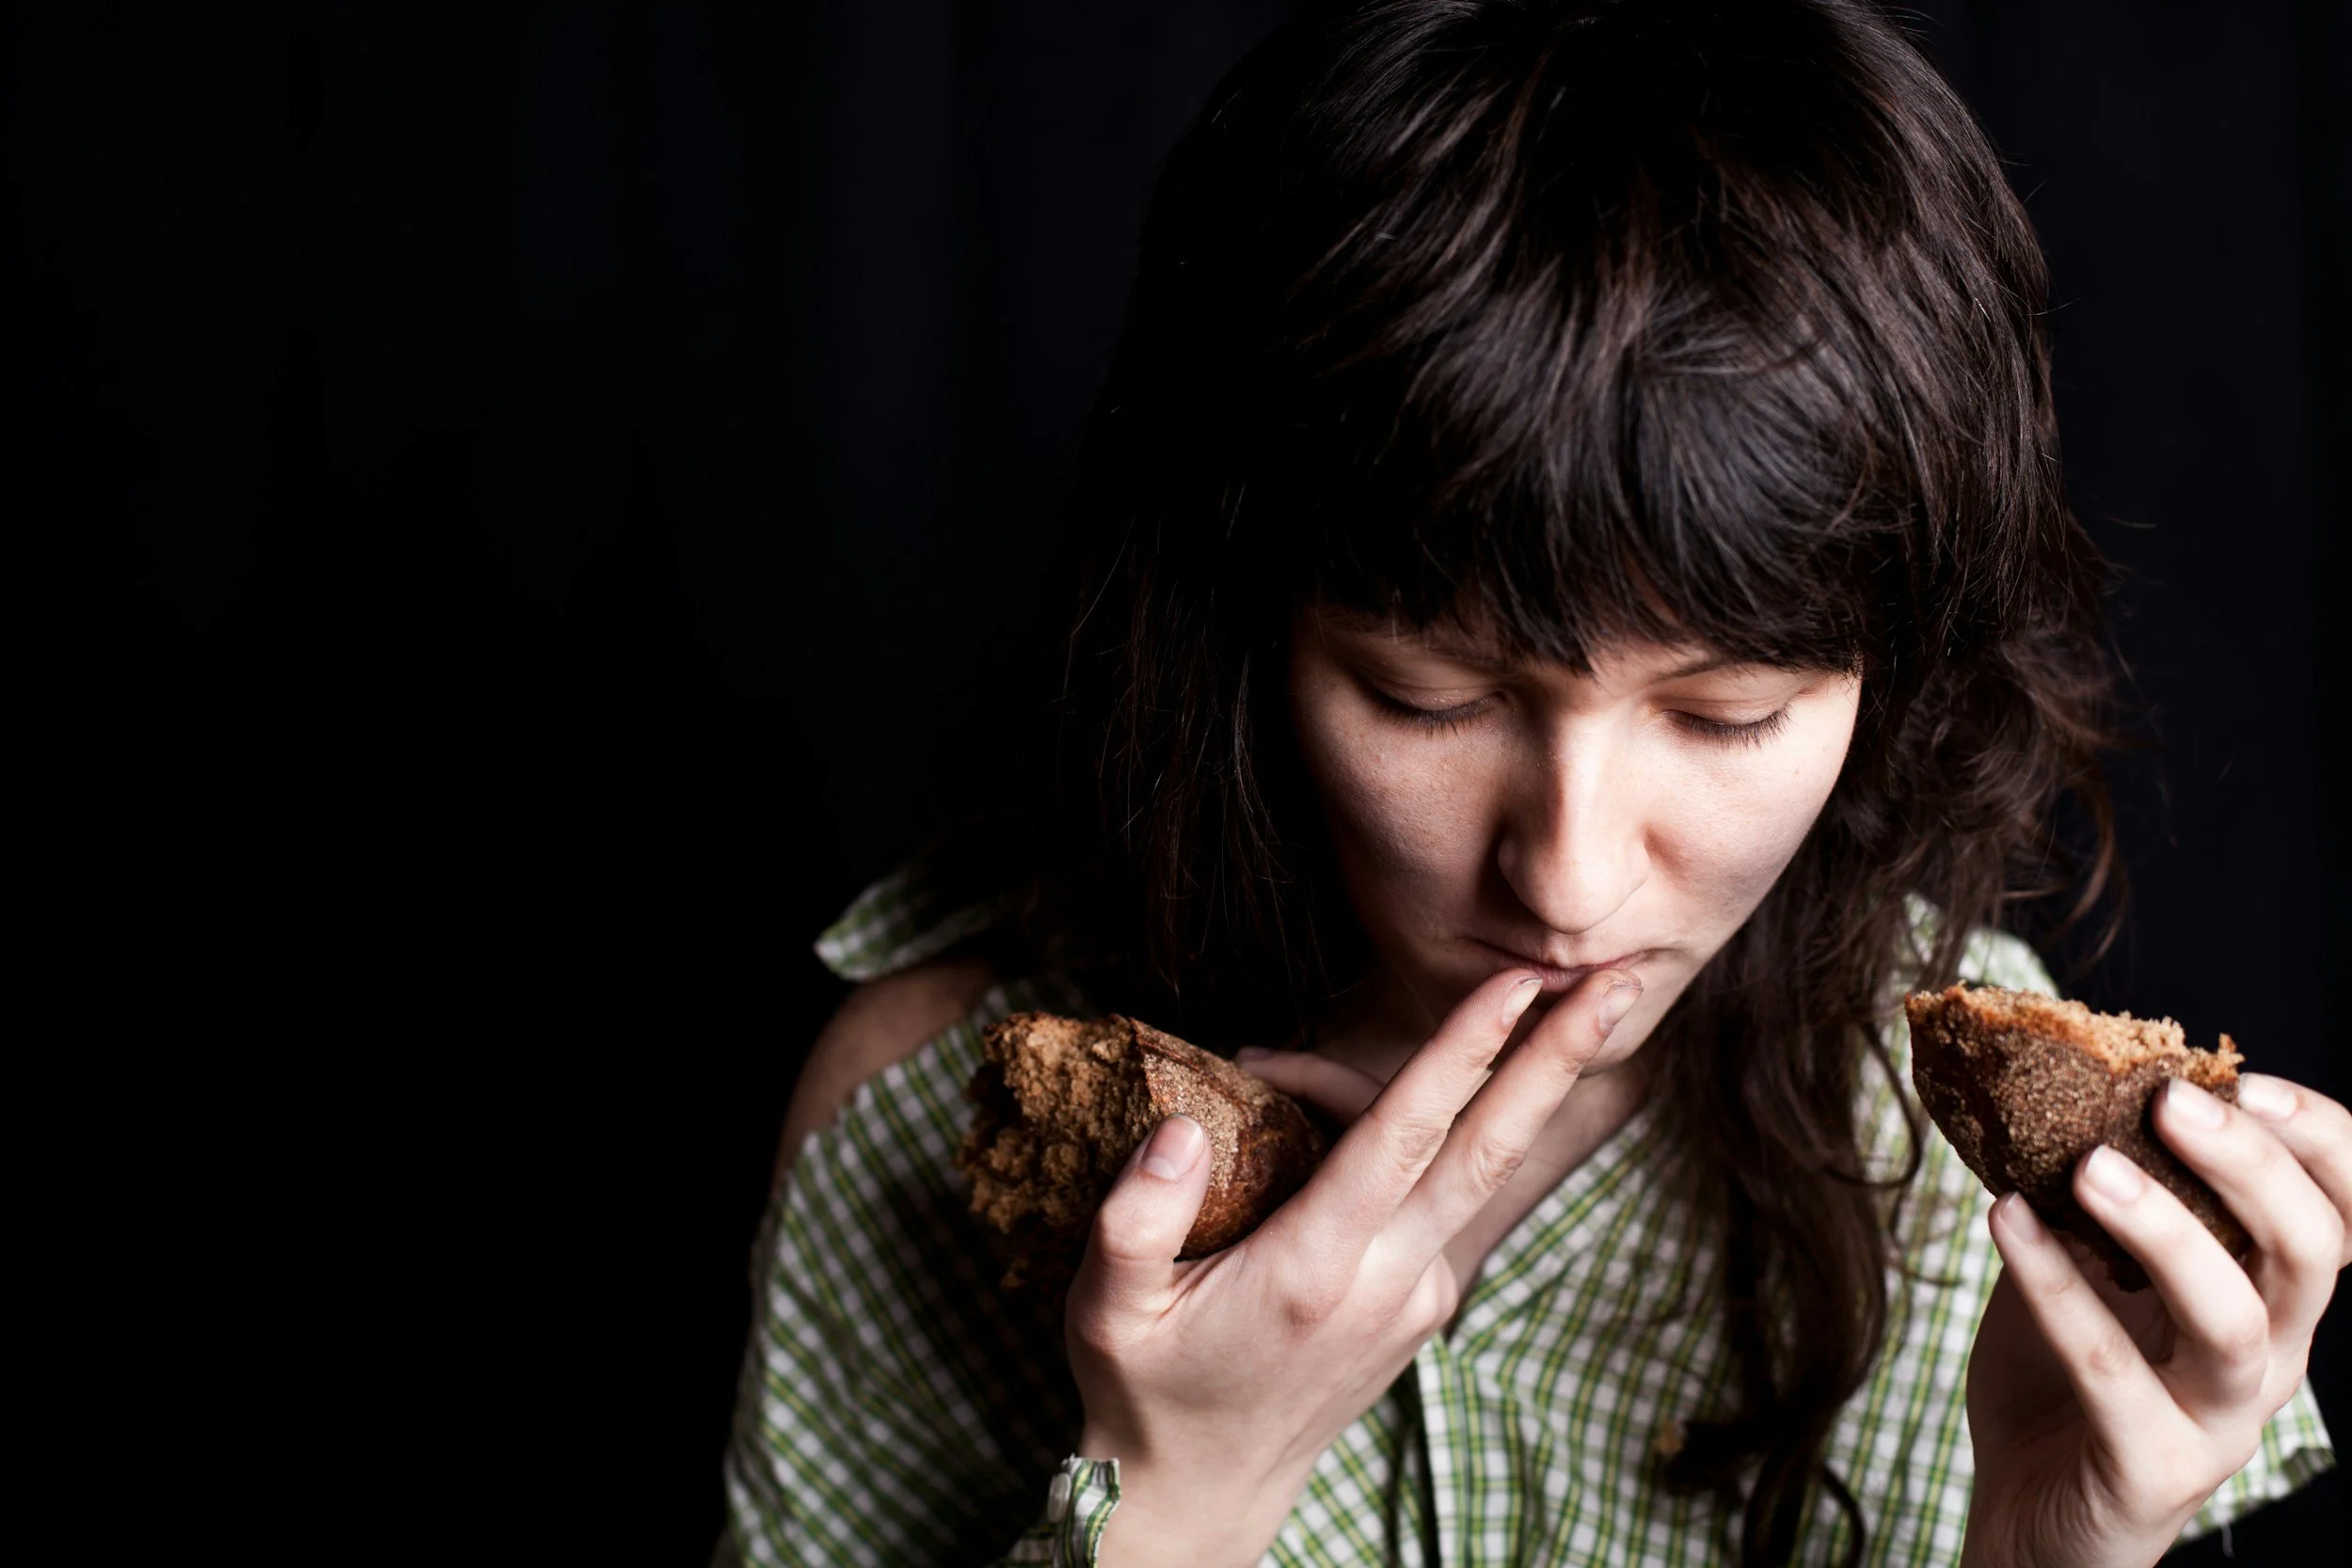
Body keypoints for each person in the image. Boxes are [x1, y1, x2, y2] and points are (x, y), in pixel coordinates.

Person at [714, 2, 2343, 1563]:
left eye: (1726, 714)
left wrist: (2050, 1558)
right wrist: (1170, 1505)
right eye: (1430, 696)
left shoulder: (1961, 1168)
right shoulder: (935, 1114)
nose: (1568, 880)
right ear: (1246, 628)